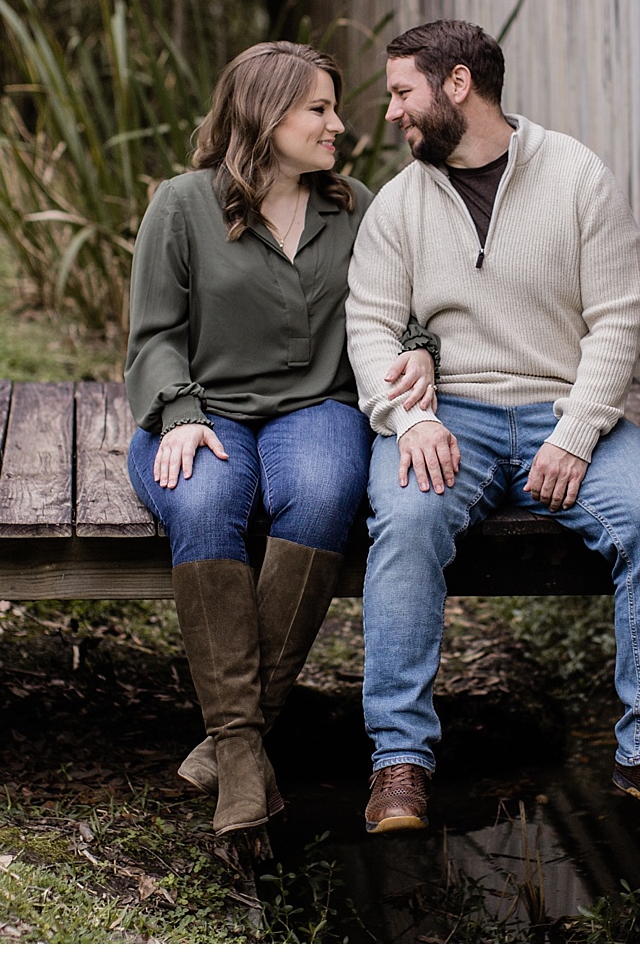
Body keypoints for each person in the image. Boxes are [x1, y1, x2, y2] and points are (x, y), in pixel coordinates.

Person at [345, 19, 640, 835]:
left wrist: (577, 432)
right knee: (405, 522)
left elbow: (617, 323)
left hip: (565, 408)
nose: (392, 113)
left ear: (458, 84)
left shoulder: (578, 176)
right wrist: (409, 419)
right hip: (451, 418)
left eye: (402, 92)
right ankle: (399, 762)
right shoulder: (400, 202)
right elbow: (370, 326)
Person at [123, 41, 437, 835]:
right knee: (202, 501)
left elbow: (404, 307)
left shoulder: (356, 205)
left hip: (317, 407)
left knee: (330, 488)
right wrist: (181, 412)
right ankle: (242, 755)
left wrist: (419, 350)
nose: (341, 124)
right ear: (266, 116)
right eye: (319, 109)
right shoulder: (182, 205)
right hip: (201, 410)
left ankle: (231, 742)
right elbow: (155, 336)